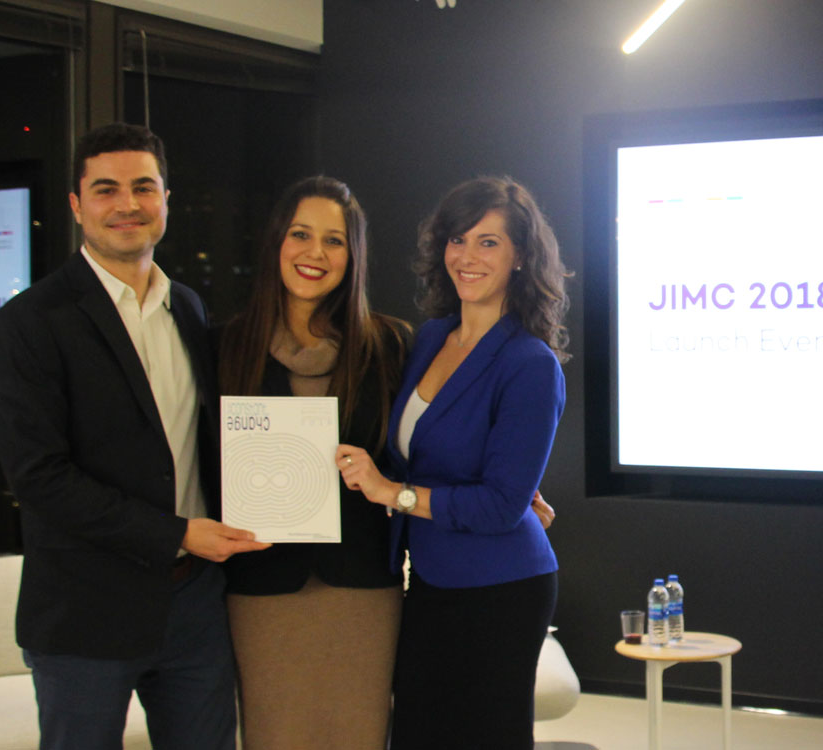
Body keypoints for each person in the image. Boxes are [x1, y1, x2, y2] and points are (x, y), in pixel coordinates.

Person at [0, 122, 269, 750]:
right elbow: (38, 477)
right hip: (85, 614)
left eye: (144, 187)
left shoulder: (189, 308)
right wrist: (175, 533)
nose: (128, 205)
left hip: (194, 603)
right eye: (107, 189)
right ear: (76, 205)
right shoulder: (31, 322)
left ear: (166, 197)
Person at [336, 176, 570, 750]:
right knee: (417, 731)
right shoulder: (430, 338)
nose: (467, 257)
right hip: (434, 578)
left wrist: (393, 493)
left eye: (489, 243)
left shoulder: (530, 364)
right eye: (457, 239)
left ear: (520, 257)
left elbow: (496, 507)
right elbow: (426, 452)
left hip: (502, 586)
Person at [215, 175, 411, 750]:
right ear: (277, 240)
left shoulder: (390, 346)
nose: (315, 253)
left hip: (362, 592)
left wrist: (514, 485)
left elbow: (430, 440)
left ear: (353, 255)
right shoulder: (223, 347)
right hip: (261, 589)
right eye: (301, 234)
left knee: (358, 735)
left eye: (335, 240)